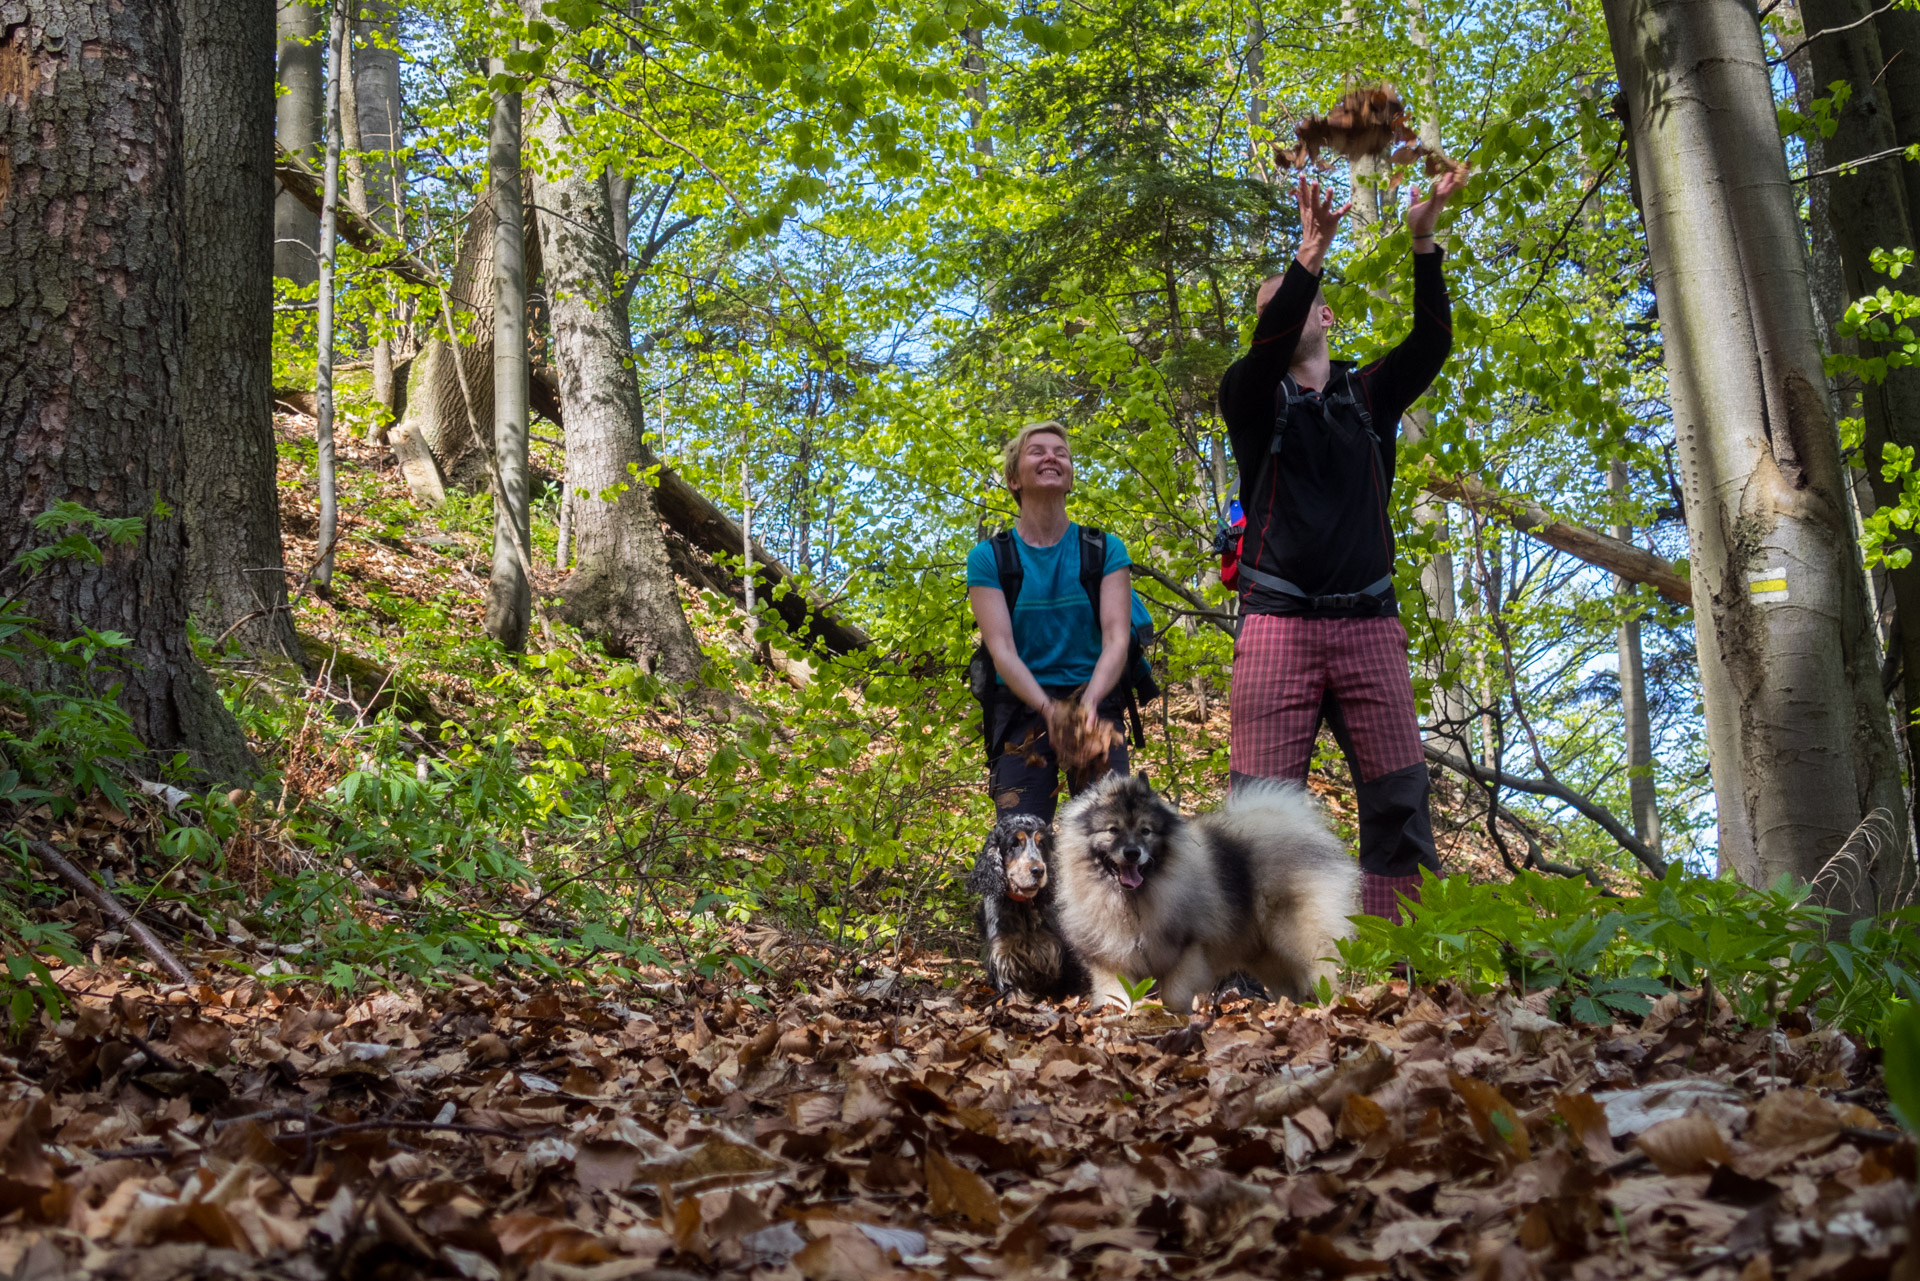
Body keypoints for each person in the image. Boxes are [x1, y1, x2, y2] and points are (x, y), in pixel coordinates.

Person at [1216, 165, 1469, 923]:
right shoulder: (1248, 397)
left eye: (1294, 305)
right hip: (1277, 623)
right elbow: (1265, 349)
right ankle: (1256, 978)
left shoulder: (1369, 395)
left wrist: (1423, 241)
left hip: (1369, 625)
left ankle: (1407, 968)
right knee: (1262, 811)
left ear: (1325, 315)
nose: (1282, 317)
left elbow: (1433, 339)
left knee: (1398, 803)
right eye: (1268, 311)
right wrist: (1307, 255)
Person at [968, 421, 1134, 821]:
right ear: (1013, 479)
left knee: (1112, 838)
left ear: (1070, 476)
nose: (1051, 457)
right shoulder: (990, 558)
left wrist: (1088, 705)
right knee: (1021, 841)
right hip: (1022, 709)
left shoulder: (1104, 549)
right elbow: (1002, 649)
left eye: (1061, 452)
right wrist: (1048, 709)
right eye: (1037, 451)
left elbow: (1116, 639)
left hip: (1095, 701)